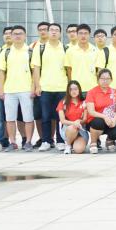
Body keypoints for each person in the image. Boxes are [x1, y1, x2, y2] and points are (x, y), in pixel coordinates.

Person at [0, 25, 36, 151]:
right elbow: (2, 72)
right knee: (10, 118)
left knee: (28, 118)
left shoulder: (30, 51)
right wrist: (1, 89)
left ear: (25, 36)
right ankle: (13, 142)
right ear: (11, 36)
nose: (18, 36)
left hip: (26, 90)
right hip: (10, 90)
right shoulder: (6, 52)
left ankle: (28, 141)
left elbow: (35, 71)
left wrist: (33, 87)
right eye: (15, 34)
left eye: (20, 33)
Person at [32, 22, 68, 151]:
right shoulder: (40, 48)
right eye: (51, 30)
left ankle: (61, 141)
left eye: (56, 30)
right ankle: (46, 141)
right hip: (45, 87)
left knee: (60, 117)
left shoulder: (65, 48)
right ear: (48, 32)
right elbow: (36, 68)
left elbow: (68, 69)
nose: (53, 32)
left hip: (62, 87)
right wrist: (37, 86)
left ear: (60, 33)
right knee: (45, 116)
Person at [84, 68, 116, 153]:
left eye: (108, 79)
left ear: (111, 80)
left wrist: (114, 119)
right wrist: (104, 117)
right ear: (98, 80)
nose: (105, 81)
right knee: (99, 122)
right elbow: (91, 111)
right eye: (102, 78)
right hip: (95, 121)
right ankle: (93, 142)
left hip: (110, 120)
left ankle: (109, 140)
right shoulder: (91, 92)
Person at [65, 23, 100, 92]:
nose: (83, 36)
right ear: (77, 35)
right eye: (80, 33)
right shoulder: (70, 51)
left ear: (89, 35)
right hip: (76, 89)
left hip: (93, 88)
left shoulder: (96, 51)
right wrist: (70, 85)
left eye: (86, 33)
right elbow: (69, 70)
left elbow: (98, 71)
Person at [57, 80, 89, 154]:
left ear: (79, 90)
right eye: (71, 89)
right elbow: (62, 120)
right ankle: (68, 145)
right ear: (68, 91)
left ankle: (74, 144)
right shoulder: (63, 102)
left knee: (79, 150)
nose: (73, 91)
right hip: (68, 129)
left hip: (81, 130)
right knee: (72, 127)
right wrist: (74, 123)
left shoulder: (84, 102)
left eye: (75, 89)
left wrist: (79, 122)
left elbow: (85, 119)